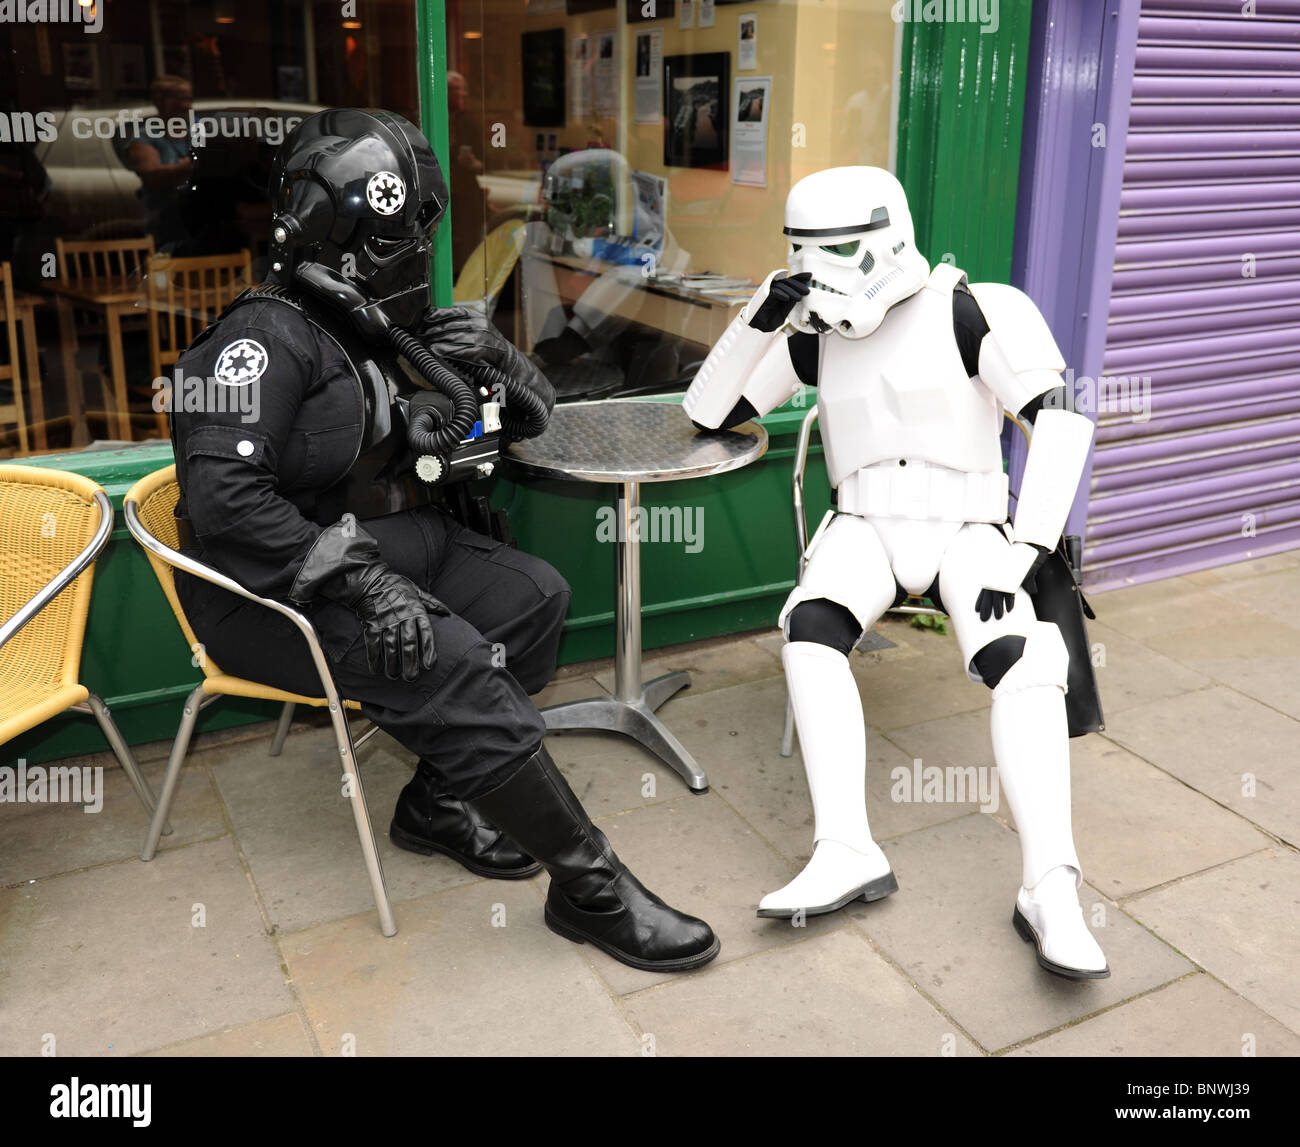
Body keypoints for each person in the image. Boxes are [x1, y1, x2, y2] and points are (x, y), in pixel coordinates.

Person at [168, 108, 718, 973]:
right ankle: (591, 888)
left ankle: (435, 802)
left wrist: (497, 354)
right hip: (275, 588)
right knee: (452, 660)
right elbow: (227, 500)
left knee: (533, 599)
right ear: (334, 235)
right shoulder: (258, 340)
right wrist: (367, 585)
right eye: (395, 242)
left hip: (381, 543)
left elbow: (525, 421)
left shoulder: (368, 323)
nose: (413, 259)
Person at [683, 166, 1108, 979]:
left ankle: (1051, 884)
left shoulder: (971, 308)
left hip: (968, 523)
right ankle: (845, 845)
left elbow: (1060, 423)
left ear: (886, 235)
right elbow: (710, 412)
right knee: (808, 633)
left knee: (1025, 663)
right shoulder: (815, 333)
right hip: (865, 524)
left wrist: (1024, 551)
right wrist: (761, 314)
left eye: (835, 249)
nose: (822, 269)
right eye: (802, 253)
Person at [113, 75, 195, 252]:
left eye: (189, 99)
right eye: (180, 99)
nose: (187, 105)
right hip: (165, 230)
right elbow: (152, 175)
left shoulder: (198, 131)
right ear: (160, 101)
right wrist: (193, 165)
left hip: (199, 226)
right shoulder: (146, 137)